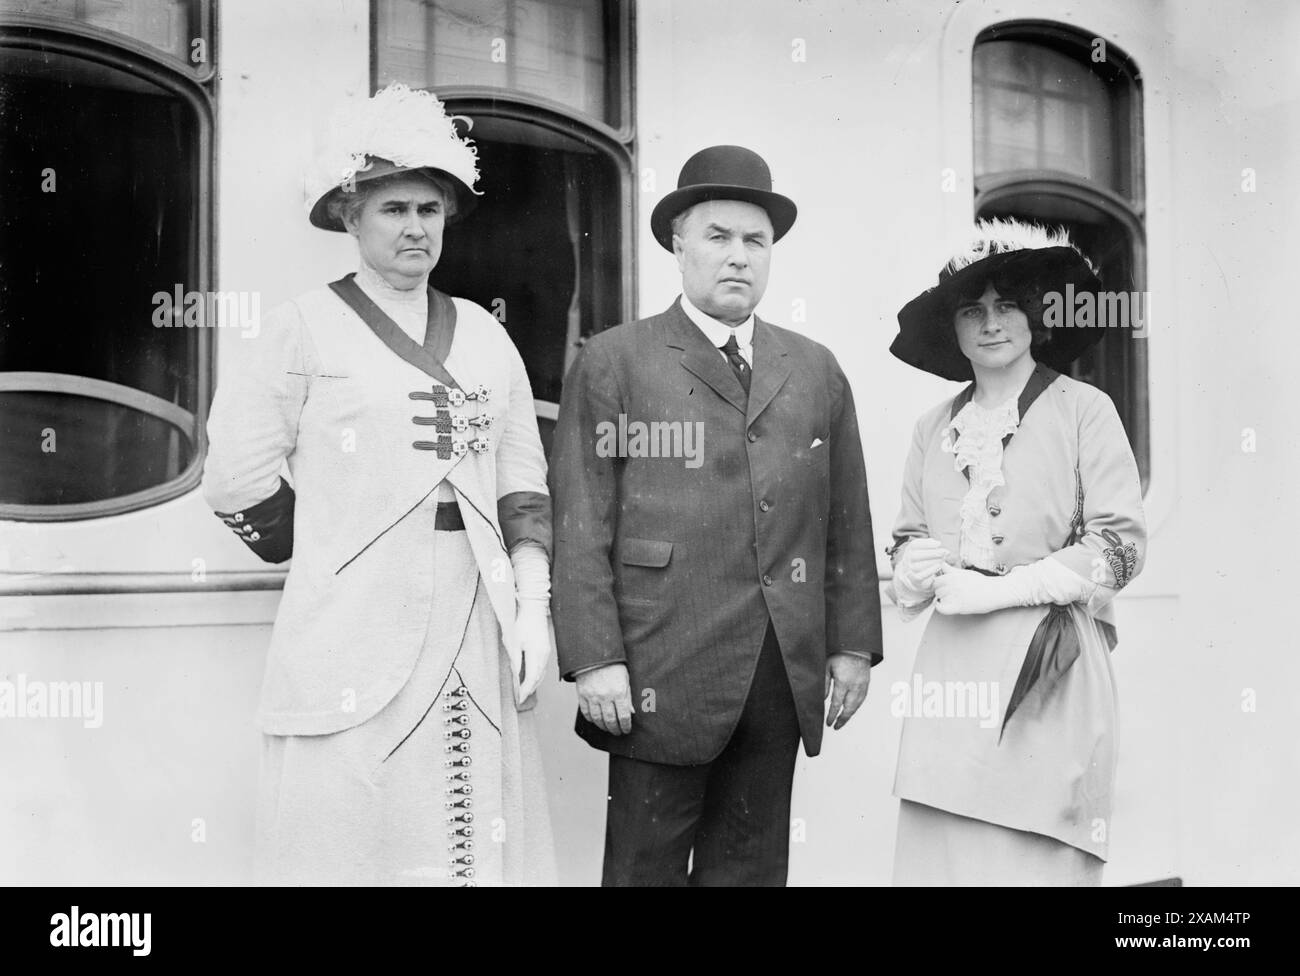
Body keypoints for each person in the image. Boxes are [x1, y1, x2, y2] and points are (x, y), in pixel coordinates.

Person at [201, 84, 555, 886]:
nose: (414, 229)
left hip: (471, 612)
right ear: (351, 218)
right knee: (348, 823)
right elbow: (233, 474)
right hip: (348, 624)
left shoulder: (485, 332)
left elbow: (520, 478)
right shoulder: (299, 326)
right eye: (394, 209)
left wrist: (532, 605)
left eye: (429, 211)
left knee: (460, 826)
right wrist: (327, 547)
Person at [549, 145, 883, 886]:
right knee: (645, 871)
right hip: (656, 669)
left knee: (751, 871)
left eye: (755, 241)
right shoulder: (616, 361)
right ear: (677, 245)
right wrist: (594, 657)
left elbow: (847, 519)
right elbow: (581, 520)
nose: (738, 257)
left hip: (776, 671)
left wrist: (852, 644)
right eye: (717, 237)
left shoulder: (815, 367)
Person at [885, 218, 1147, 885]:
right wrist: (912, 569)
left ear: (1035, 317)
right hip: (952, 672)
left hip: (1048, 670)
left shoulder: (1084, 410)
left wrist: (1005, 589)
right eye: (973, 310)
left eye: (1008, 306)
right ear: (955, 328)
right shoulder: (932, 428)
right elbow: (911, 533)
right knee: (946, 859)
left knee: (1032, 861)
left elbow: (1119, 548)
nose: (992, 322)